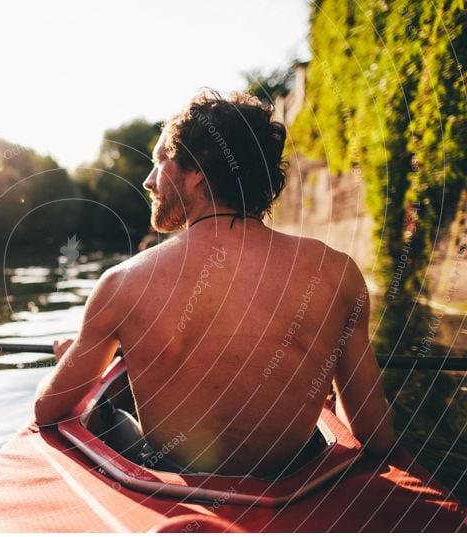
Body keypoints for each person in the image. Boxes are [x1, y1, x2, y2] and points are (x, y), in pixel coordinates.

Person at [34, 91, 394, 475]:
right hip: (291, 481)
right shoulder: (337, 273)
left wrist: (66, 362)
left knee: (109, 415)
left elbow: (46, 410)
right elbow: (376, 437)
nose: (148, 180)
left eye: (160, 162)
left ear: (196, 172)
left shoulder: (123, 283)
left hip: (175, 486)